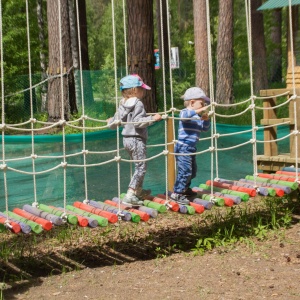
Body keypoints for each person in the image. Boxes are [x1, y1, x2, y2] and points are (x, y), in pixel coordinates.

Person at [107, 74, 162, 205]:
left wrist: (110, 121)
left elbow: (114, 123)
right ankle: (131, 193)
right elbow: (138, 122)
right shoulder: (138, 103)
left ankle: (138, 191)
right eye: (141, 88)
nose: (143, 91)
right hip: (136, 139)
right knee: (141, 167)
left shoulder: (123, 104)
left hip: (126, 140)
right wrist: (153, 119)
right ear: (134, 90)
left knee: (139, 166)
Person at [170, 87, 211, 205]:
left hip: (192, 148)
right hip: (183, 147)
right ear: (192, 102)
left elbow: (204, 129)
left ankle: (185, 189)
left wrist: (206, 120)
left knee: (193, 172)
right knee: (185, 171)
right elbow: (184, 117)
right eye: (202, 103)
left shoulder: (197, 117)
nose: (204, 106)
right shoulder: (185, 112)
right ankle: (177, 193)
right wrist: (199, 111)